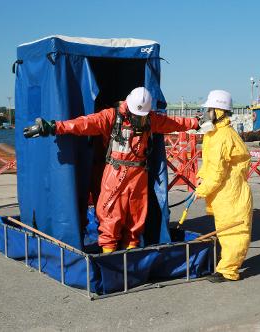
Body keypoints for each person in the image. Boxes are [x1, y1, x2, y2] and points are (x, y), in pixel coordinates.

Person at [23, 87, 199, 252]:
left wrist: (195, 123)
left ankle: (130, 256)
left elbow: (174, 122)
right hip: (115, 173)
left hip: (139, 175)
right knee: (110, 215)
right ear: (129, 106)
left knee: (136, 217)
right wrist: (53, 126)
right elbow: (83, 124)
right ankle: (109, 256)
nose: (141, 119)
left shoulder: (150, 119)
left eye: (143, 115)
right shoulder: (111, 117)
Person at [194, 90, 253, 283]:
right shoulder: (214, 134)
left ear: (218, 111)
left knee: (234, 232)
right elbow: (209, 165)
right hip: (224, 193)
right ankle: (226, 264)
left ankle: (228, 271)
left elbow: (218, 172)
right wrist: (201, 177)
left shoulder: (223, 136)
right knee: (225, 231)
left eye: (209, 109)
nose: (206, 114)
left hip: (231, 192)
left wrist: (202, 190)